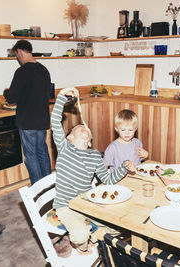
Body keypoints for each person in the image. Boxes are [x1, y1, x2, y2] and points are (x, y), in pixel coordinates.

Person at [51, 88, 135, 255]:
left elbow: (108, 179)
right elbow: (54, 122)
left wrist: (123, 168)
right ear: (69, 138)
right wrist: (61, 97)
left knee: (120, 227)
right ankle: (81, 245)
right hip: (66, 205)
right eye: (78, 127)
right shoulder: (65, 148)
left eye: (86, 128)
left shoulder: (95, 155)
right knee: (81, 236)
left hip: (87, 202)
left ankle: (95, 235)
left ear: (89, 142)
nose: (83, 126)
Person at [3, 40, 52, 185]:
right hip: (42, 120)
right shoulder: (44, 70)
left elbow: (11, 98)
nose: (17, 57)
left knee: (31, 156)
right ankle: (48, 186)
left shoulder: (22, 71)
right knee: (42, 152)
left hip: (27, 121)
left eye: (16, 54)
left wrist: (6, 92)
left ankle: (38, 189)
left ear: (19, 52)